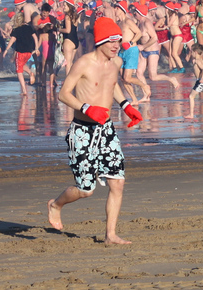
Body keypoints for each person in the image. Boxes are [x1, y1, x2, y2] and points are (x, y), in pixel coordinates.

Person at [47, 16, 143, 245]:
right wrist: (87, 108)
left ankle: (110, 235)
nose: (116, 46)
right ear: (100, 41)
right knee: (86, 190)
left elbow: (112, 85)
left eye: (118, 41)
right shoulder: (83, 63)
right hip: (82, 131)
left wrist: (126, 106)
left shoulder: (116, 62)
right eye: (112, 41)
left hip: (106, 130)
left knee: (117, 182)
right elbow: (63, 94)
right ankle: (55, 205)